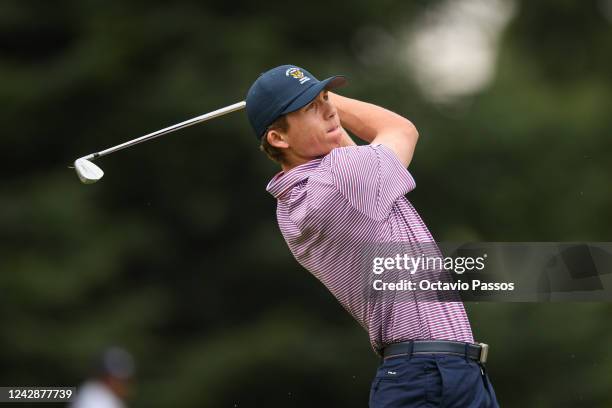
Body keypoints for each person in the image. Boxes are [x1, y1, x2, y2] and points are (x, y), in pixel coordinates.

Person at [246, 65, 499, 407]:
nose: (329, 109)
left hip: (436, 373)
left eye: (324, 99)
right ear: (278, 138)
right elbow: (401, 129)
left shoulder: (298, 200)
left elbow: (347, 150)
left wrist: (316, 108)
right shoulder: (339, 179)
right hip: (430, 376)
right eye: (310, 108)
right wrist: (334, 100)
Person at [70, 347, 135, 408]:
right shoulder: (99, 401)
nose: (126, 386)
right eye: (123, 381)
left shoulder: (88, 391)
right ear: (109, 378)